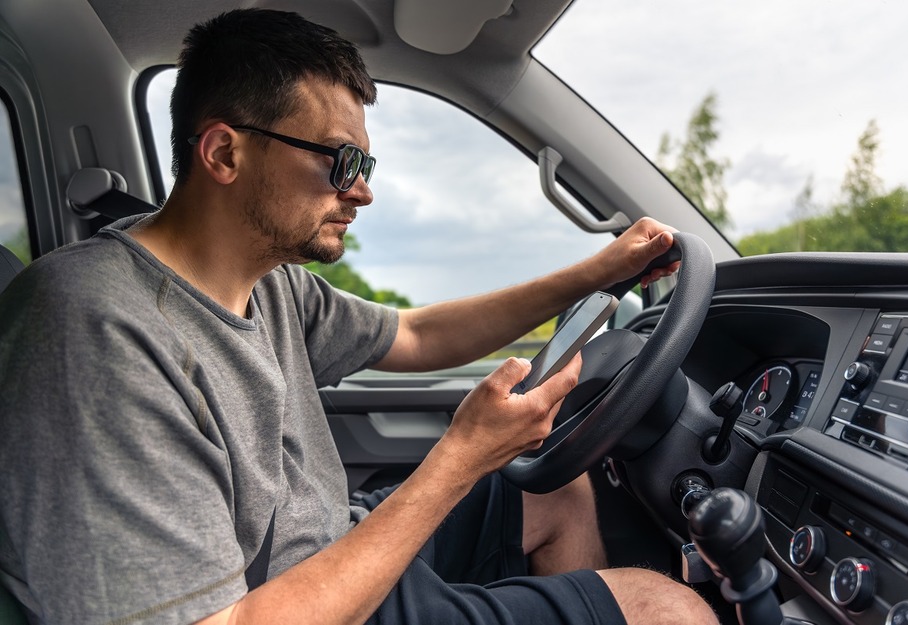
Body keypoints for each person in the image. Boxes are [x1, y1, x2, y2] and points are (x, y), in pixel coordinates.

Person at [0, 8, 717, 625]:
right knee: (670, 609)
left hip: (340, 555)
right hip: (296, 603)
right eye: (342, 163)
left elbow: (416, 333)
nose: (361, 193)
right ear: (224, 152)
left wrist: (597, 272)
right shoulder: (95, 331)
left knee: (554, 483)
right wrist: (459, 457)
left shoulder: (271, 283)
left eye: (365, 169)